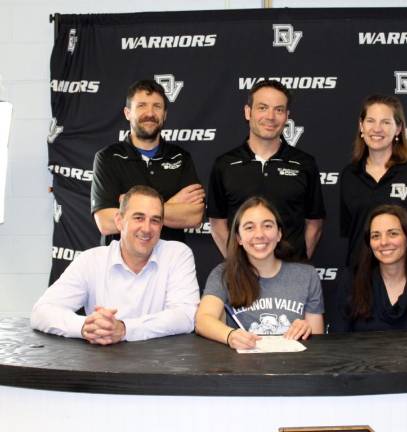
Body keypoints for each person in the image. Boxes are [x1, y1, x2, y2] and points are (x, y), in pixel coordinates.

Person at [31, 185, 200, 344]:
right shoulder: (91, 260)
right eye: (138, 218)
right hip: (103, 365)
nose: (147, 228)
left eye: (155, 220)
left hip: (162, 367)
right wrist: (86, 327)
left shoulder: (177, 254)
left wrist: (124, 329)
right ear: (119, 221)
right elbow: (41, 311)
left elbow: (186, 317)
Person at [207, 79, 325, 260]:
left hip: (291, 275)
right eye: (262, 107)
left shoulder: (305, 163)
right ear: (248, 112)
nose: (270, 116)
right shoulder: (224, 165)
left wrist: (297, 265)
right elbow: (217, 223)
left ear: (287, 116)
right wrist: (236, 264)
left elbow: (314, 223)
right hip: (243, 277)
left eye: (278, 110)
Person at [195, 196, 324, 349]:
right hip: (243, 369)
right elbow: (202, 320)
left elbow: (317, 341)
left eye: (267, 226)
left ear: (279, 234)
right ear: (239, 238)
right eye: (249, 227)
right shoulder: (223, 274)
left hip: (292, 367)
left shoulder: (306, 275)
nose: (259, 234)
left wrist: (306, 329)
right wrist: (230, 336)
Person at [91, 79, 205, 244]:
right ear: (127, 113)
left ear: (165, 114)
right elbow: (106, 222)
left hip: (169, 262)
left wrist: (131, 209)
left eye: (157, 106)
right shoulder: (108, 158)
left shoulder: (180, 157)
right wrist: (171, 206)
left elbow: (194, 216)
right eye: (142, 105)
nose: (150, 113)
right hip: (119, 264)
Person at [340, 94, 407, 266]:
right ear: (361, 126)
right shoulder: (349, 175)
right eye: (371, 121)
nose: (377, 129)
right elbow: (352, 234)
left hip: (403, 281)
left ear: (398, 129)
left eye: (386, 122)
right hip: (359, 280)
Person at [331, 204, 407, 332]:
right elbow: (338, 342)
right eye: (376, 236)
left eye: (392, 234)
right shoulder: (351, 282)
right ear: (369, 243)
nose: (383, 242)